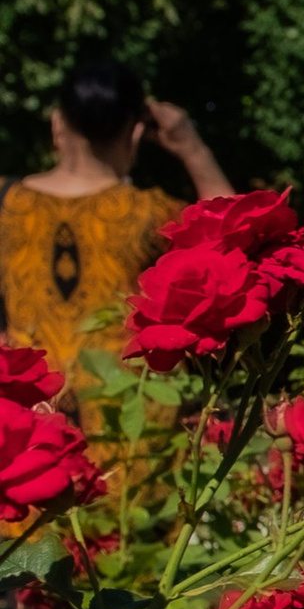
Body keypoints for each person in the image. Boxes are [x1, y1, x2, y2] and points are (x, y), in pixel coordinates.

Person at [0, 57, 233, 410]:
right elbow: (234, 235)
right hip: (129, 424)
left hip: (30, 420)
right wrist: (192, 148)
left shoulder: (5, 202)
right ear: (136, 132)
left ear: (57, 124)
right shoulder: (153, 213)